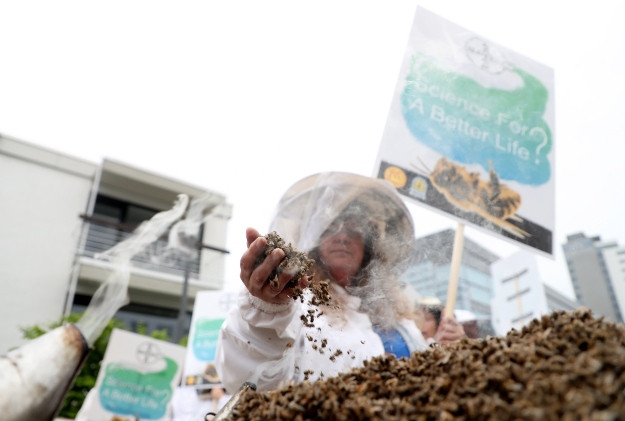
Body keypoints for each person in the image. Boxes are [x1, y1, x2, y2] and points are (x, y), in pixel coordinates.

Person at [215, 172, 465, 393]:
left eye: (354, 230)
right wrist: (265, 311)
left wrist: (444, 353)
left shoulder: (400, 321)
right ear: (314, 240)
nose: (343, 236)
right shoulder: (295, 302)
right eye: (331, 227)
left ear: (369, 247)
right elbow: (248, 376)